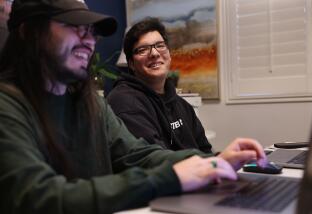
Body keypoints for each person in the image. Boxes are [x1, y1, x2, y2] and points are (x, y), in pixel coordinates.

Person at [0, 0, 267, 213]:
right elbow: (38, 198)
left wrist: (213, 163)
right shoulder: (7, 105)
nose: (88, 39)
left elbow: (138, 154)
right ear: (28, 31)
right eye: (73, 26)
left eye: (91, 31)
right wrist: (170, 177)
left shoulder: (91, 103)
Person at [107, 18, 213, 153]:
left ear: (169, 54)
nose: (155, 53)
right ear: (131, 64)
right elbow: (154, 160)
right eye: (143, 49)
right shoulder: (125, 103)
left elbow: (205, 150)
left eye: (160, 45)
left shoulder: (182, 105)